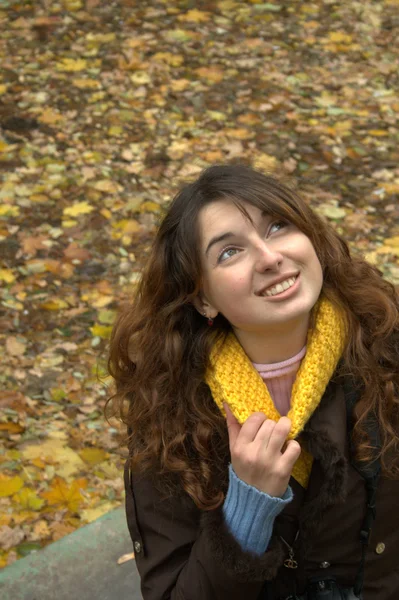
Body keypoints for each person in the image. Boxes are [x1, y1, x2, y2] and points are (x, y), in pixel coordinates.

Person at [107, 165, 399, 600]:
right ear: (203, 297)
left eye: (278, 226)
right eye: (229, 252)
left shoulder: (386, 349)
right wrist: (247, 509)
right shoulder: (169, 416)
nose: (269, 257)